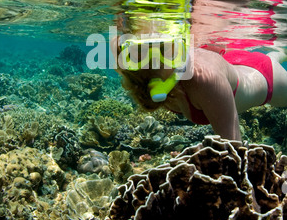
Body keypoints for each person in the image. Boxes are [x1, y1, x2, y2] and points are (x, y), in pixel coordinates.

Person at [112, 23, 287, 142]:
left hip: (263, 73)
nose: (154, 61)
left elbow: (235, 156)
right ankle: (277, 51)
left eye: (165, 49)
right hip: (228, 59)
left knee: (272, 60)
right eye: (138, 53)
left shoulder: (206, 80)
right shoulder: (130, 66)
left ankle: (277, 51)